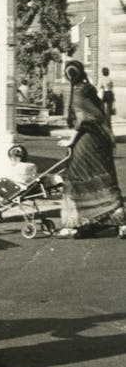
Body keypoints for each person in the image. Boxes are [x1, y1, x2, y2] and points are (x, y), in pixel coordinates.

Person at [54, 60, 126, 239]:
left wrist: (70, 141)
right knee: (103, 180)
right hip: (98, 141)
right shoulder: (88, 88)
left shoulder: (78, 92)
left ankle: (76, 223)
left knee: (76, 181)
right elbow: (98, 114)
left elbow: (83, 118)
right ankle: (120, 221)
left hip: (86, 143)